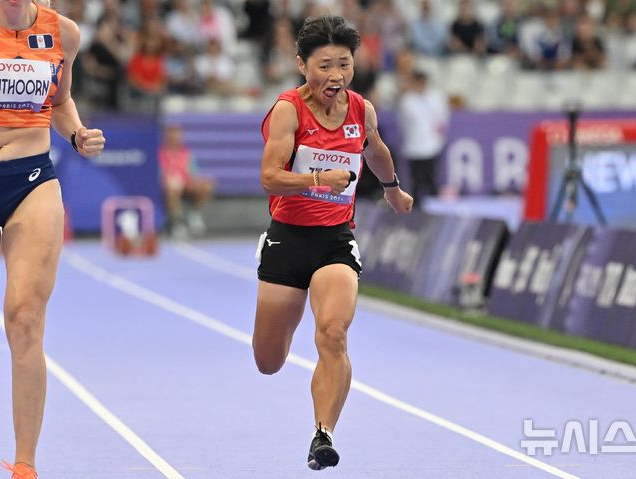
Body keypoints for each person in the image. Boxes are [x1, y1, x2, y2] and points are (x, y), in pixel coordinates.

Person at [254, 15, 413, 471]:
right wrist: (318, 179)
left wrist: (392, 188)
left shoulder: (361, 110)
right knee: (268, 361)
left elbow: (376, 149)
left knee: (334, 333)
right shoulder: (287, 110)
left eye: (344, 65)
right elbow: (269, 178)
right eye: (325, 66)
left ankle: (323, 434)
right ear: (302, 65)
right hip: (287, 238)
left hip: (336, 241)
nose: (336, 76)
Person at [0, 1, 106, 478]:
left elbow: (59, 101)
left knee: (26, 317)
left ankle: (25, 466)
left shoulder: (63, 34)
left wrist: (76, 134)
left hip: (33, 178)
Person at [397, 70, 449, 206]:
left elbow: (442, 119)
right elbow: (405, 122)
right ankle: (416, 209)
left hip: (432, 145)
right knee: (416, 181)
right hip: (414, 146)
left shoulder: (436, 97)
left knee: (431, 179)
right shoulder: (407, 100)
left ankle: (436, 207)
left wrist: (438, 138)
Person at [158, 124, 215, 238]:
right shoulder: (160, 154)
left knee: (207, 184)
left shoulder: (186, 154)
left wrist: (192, 182)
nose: (176, 138)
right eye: (173, 135)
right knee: (174, 185)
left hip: (185, 184)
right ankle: (176, 222)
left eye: (178, 135)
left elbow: (192, 173)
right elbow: (158, 175)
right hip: (169, 186)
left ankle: (193, 213)